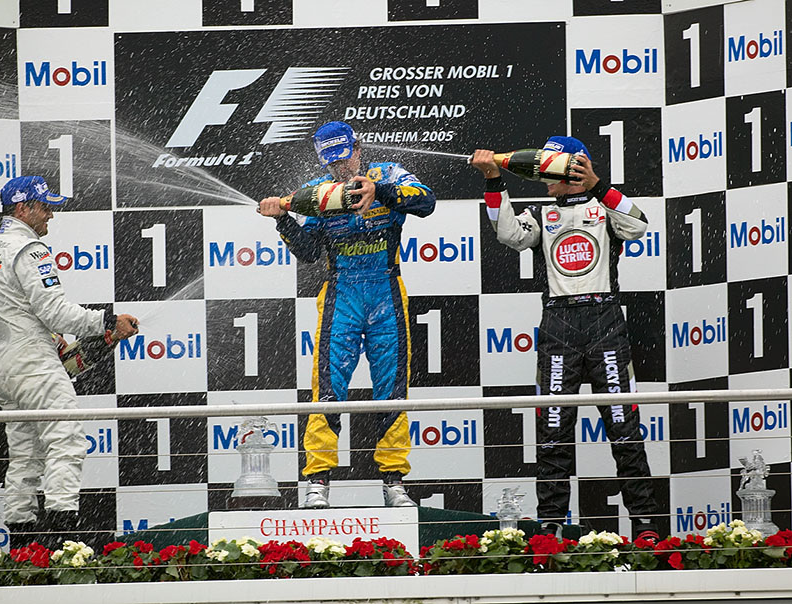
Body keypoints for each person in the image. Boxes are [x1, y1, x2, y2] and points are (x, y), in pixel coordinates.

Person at [471, 137, 661, 541]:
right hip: (559, 324)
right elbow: (508, 234)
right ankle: (551, 524)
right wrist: (493, 180)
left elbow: (639, 225)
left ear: (573, 168)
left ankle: (645, 523)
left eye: (549, 167)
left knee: (623, 426)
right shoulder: (543, 214)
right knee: (553, 429)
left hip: (605, 320)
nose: (542, 176)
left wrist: (597, 184)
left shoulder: (604, 206)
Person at [258, 121, 436, 509]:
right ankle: (317, 480)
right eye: (333, 162)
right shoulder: (319, 193)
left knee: (392, 388)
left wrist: (379, 192)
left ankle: (394, 482)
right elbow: (308, 252)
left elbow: (426, 202)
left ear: (358, 147)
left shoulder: (388, 174)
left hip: (386, 289)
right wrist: (281, 219)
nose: (341, 167)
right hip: (342, 294)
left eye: (345, 157)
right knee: (328, 387)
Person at [0, 175, 139, 549]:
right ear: (23, 209)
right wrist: (107, 321)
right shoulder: (30, 250)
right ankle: (64, 543)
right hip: (33, 363)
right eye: (45, 207)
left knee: (24, 456)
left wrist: (69, 337)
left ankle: (22, 551)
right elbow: (55, 312)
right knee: (67, 442)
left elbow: (17, 313)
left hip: (3, 366)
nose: (51, 214)